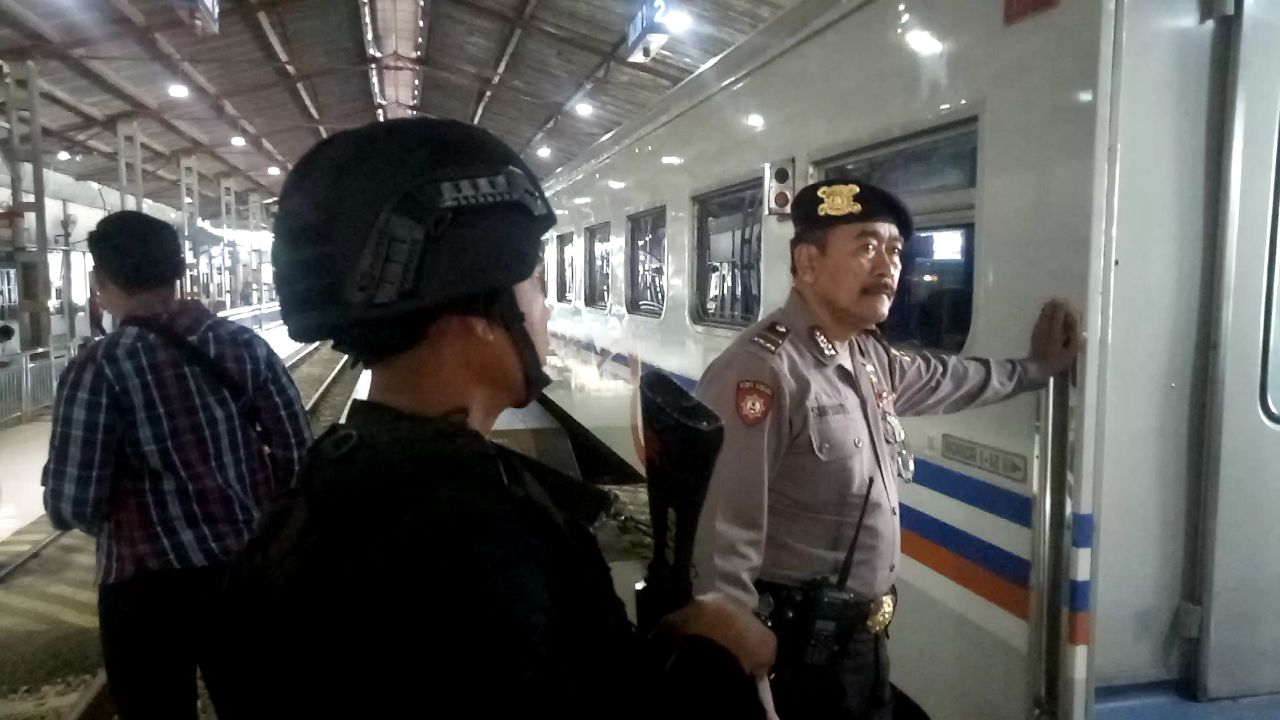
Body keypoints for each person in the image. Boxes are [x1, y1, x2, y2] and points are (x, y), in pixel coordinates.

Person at [221, 118, 774, 718]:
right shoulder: (476, 549)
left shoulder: (334, 484)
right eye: (533, 283)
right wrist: (717, 658)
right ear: (482, 315)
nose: (545, 311)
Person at [690, 179, 1083, 720]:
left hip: (860, 645)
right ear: (808, 262)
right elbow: (721, 534)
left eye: (895, 251)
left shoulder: (866, 356)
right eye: (867, 247)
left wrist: (1035, 371)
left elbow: (947, 378)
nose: (888, 266)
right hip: (794, 653)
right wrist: (739, 658)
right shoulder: (763, 369)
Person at [41, 210, 312, 720]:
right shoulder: (244, 346)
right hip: (246, 572)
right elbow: (298, 457)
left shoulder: (97, 368)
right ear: (179, 271)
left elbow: (71, 503)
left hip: (143, 591)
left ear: (99, 280)